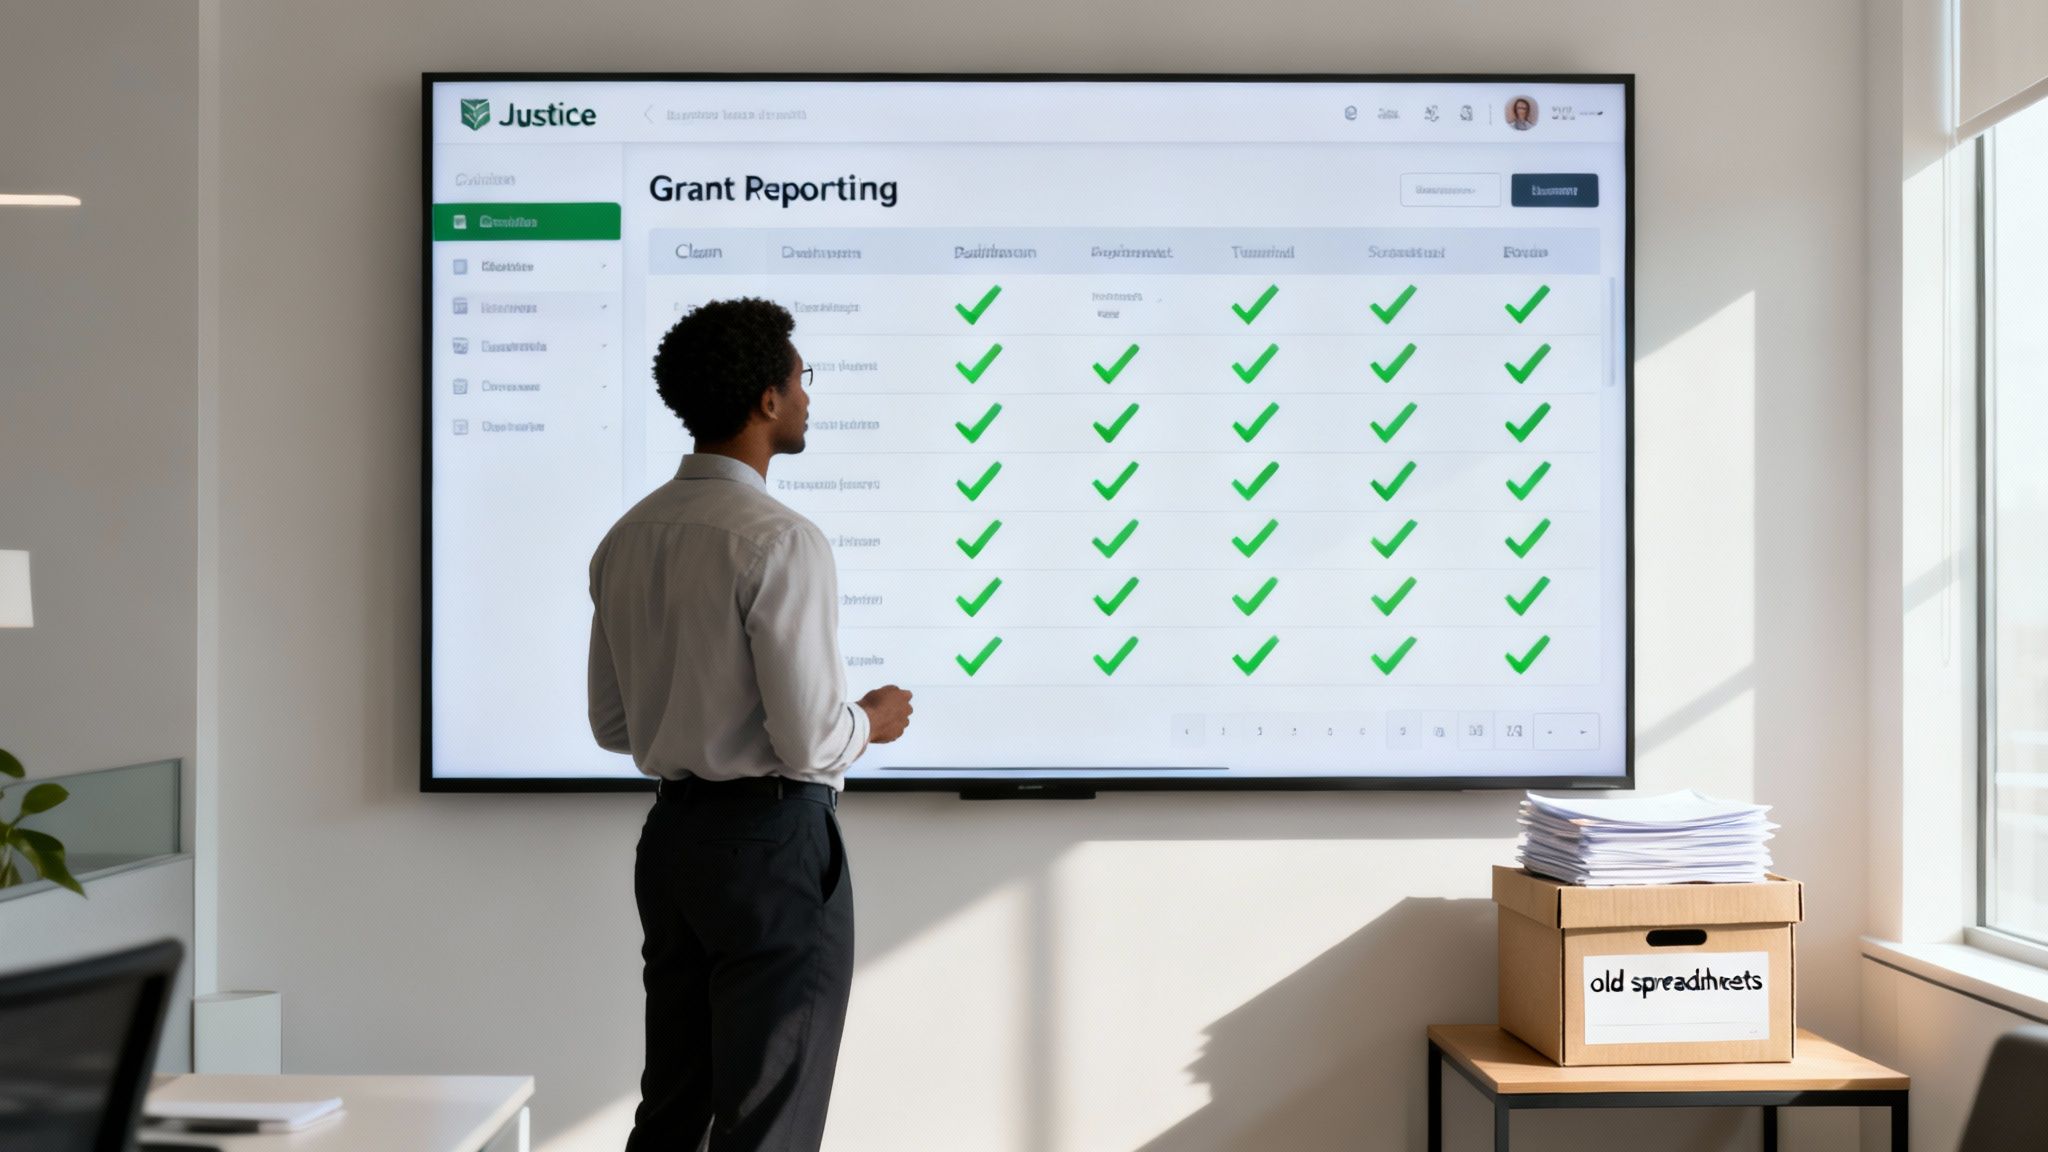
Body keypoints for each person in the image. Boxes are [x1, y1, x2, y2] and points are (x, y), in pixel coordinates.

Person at [587, 297, 914, 1151]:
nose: (808, 395)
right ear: (768, 399)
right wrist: (872, 722)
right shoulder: (780, 538)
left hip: (672, 844)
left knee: (672, 1113)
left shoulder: (627, 536)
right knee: (770, 1119)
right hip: (772, 849)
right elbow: (810, 738)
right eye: (802, 377)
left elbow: (614, 725)